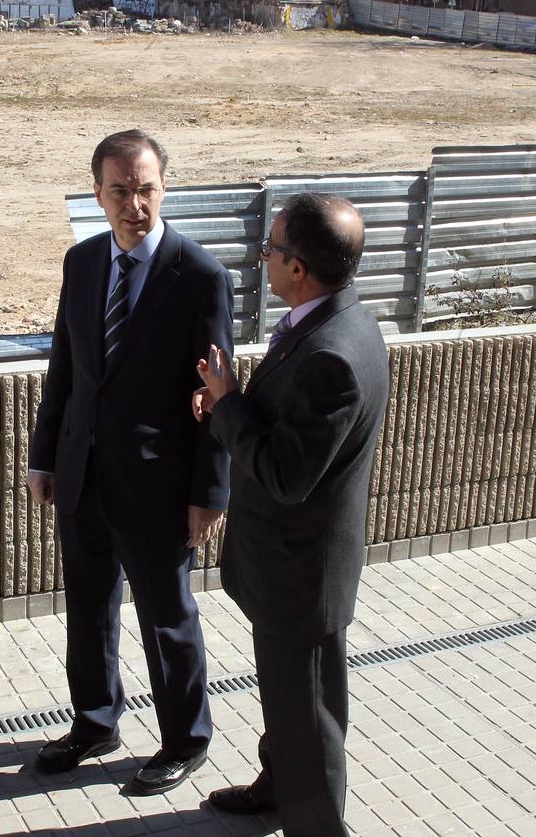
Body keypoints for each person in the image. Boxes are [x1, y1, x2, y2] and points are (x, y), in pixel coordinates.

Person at [28, 129, 234, 794]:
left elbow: (215, 391)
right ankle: (94, 721)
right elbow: (66, 368)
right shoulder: (82, 262)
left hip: (158, 486)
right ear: (97, 193)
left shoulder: (199, 275)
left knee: (165, 617)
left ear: (163, 188)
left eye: (144, 189)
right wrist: (43, 455)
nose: (133, 204)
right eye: (118, 190)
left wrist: (209, 492)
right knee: (88, 608)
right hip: (82, 474)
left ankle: (184, 739)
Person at [194, 193, 389, 836]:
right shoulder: (343, 320)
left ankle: (315, 823)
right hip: (291, 568)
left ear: (298, 267)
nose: (265, 259)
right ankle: (277, 790)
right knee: (290, 702)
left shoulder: (330, 353)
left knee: (308, 718)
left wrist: (227, 407)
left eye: (272, 249)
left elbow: (285, 474)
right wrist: (233, 409)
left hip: (300, 573)